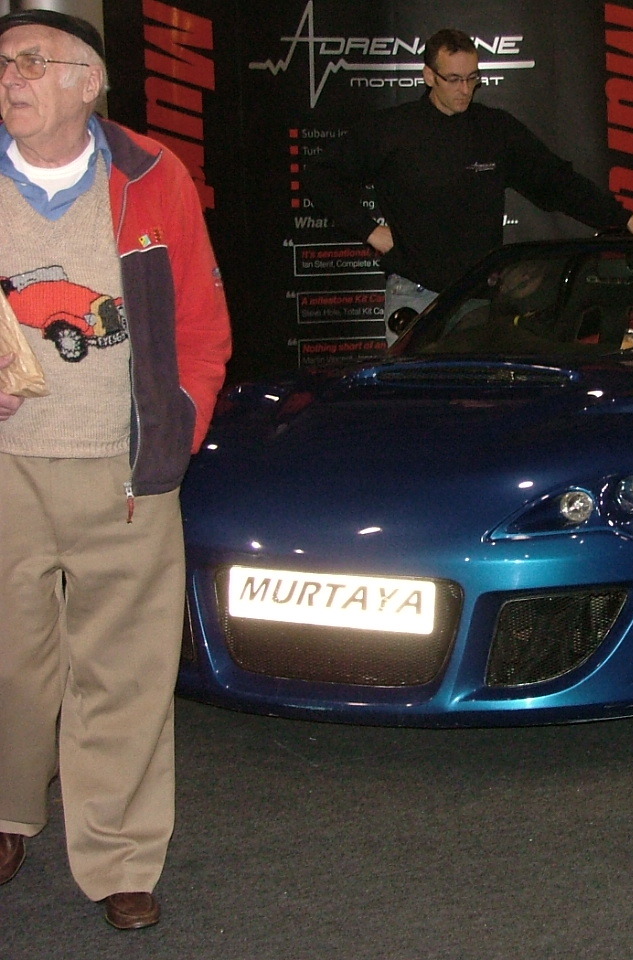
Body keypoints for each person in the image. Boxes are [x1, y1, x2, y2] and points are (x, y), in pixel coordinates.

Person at [0, 10, 232, 930]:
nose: (11, 77)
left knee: (127, 673)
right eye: (3, 62)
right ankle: (7, 811)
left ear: (87, 81)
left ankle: (122, 856)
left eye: (31, 61)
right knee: (10, 664)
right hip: (5, 471)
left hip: (125, 471)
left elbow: (202, 325)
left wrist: (174, 433)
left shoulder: (150, 174)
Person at [306, 28, 633, 344]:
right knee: (418, 398)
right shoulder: (392, 130)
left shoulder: (495, 130)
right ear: (429, 76)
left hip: (480, 295)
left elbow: (557, 183)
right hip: (415, 294)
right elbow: (320, 176)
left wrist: (625, 220)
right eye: (454, 79)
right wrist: (369, 230)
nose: (465, 90)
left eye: (473, 78)